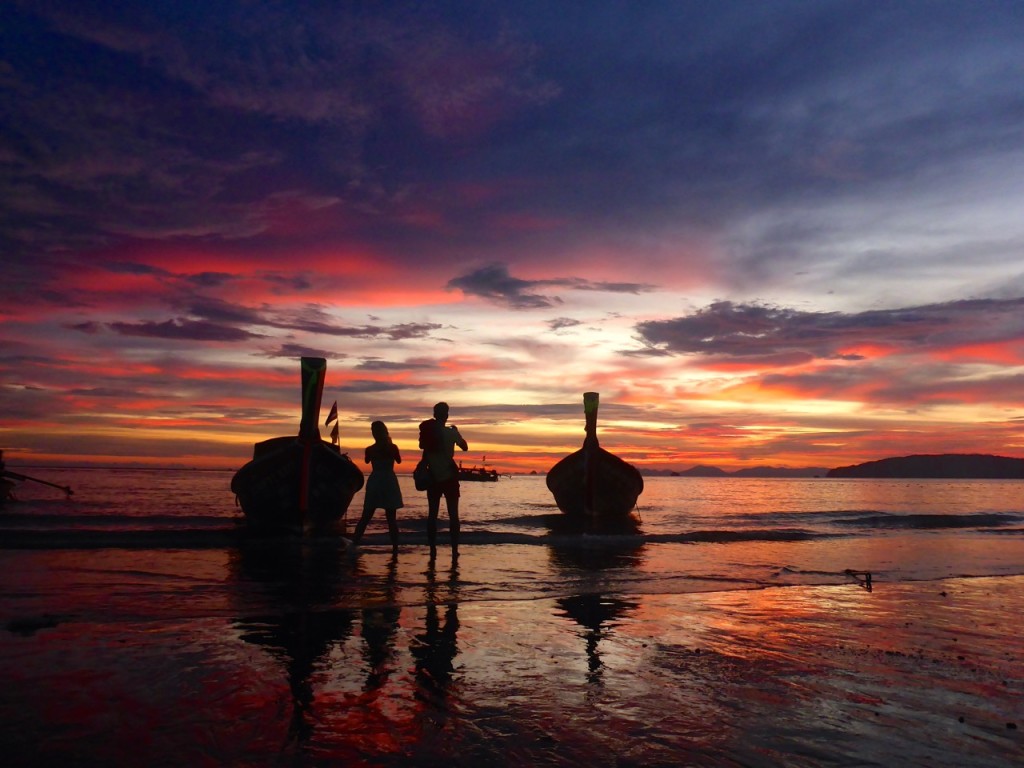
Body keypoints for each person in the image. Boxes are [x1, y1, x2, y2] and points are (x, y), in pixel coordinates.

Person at [418, 402, 468, 556]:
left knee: (432, 514)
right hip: (450, 478)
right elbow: (465, 447)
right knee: (454, 515)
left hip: (433, 477)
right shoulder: (451, 433)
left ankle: (432, 549)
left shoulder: (429, 433)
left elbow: (424, 452)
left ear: (434, 415)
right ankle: (454, 550)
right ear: (447, 415)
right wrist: (457, 432)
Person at [351, 421, 402, 550]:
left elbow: (367, 461)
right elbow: (399, 460)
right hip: (389, 481)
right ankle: (395, 548)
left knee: (366, 516)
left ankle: (354, 544)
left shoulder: (370, 449)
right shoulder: (393, 447)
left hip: (375, 480)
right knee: (391, 519)